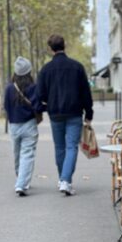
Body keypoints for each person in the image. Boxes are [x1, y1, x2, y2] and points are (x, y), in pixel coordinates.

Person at [36, 34, 93, 196]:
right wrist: (89, 113)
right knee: (71, 146)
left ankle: (63, 180)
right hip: (75, 113)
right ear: (64, 46)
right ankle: (65, 180)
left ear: (50, 49)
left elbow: (40, 94)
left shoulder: (46, 70)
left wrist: (48, 105)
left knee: (60, 147)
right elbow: (85, 93)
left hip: (55, 114)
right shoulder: (77, 67)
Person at [4, 57, 44, 196]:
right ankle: (22, 183)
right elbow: (38, 105)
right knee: (27, 154)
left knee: (17, 154)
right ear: (29, 71)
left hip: (14, 125)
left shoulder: (9, 88)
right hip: (29, 124)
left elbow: (6, 107)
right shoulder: (33, 87)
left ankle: (20, 179)